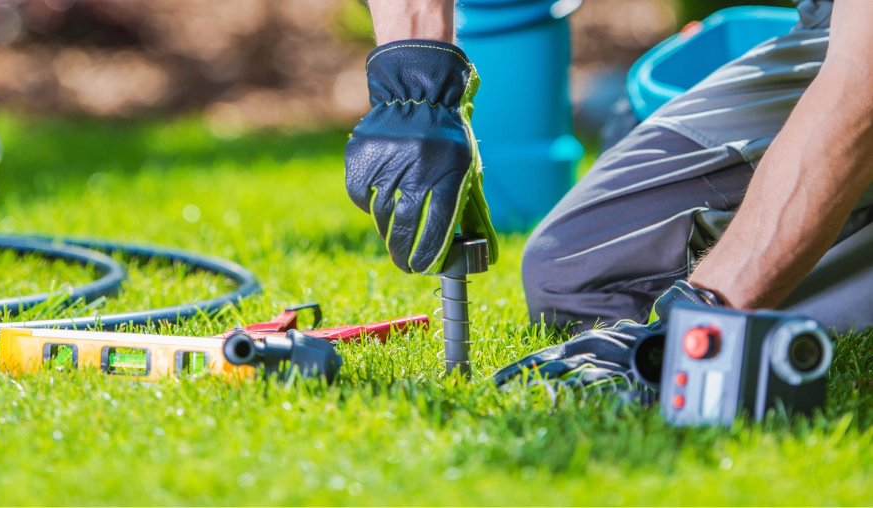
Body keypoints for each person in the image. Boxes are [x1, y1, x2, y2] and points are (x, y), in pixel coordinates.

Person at [345, 0, 873, 386]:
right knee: (575, 274)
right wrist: (413, 80)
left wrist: (698, 321)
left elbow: (863, 89)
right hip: (832, 28)